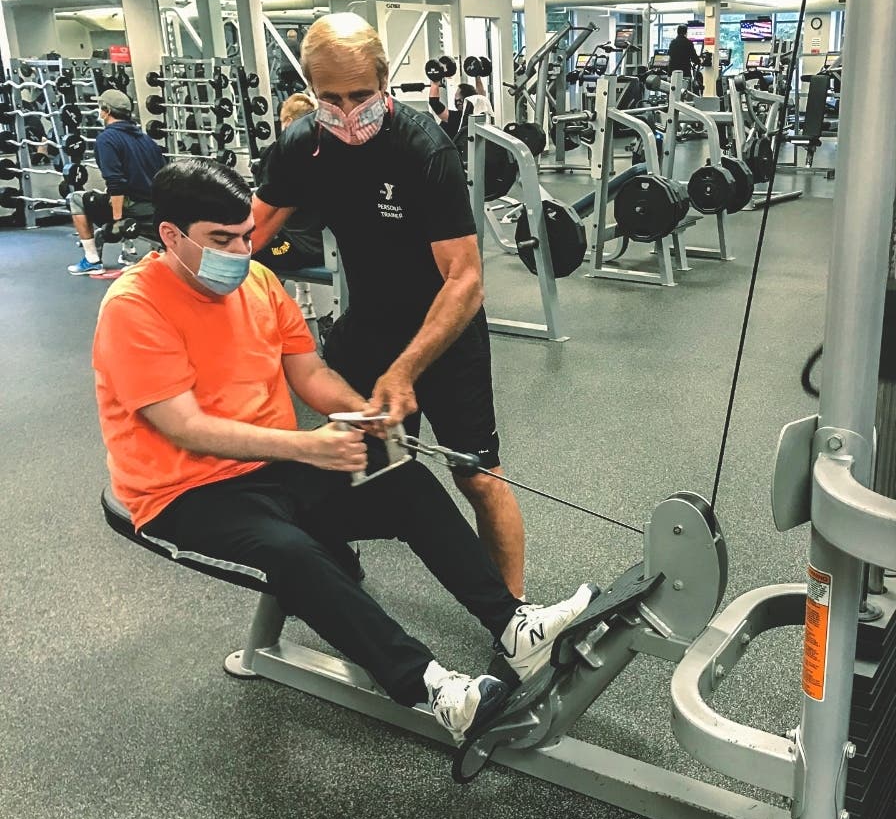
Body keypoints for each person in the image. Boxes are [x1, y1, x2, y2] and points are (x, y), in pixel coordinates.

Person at [92, 157, 591, 742]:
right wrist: (308, 446)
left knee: (402, 479)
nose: (240, 251)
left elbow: (308, 373)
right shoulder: (134, 306)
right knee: (295, 553)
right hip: (182, 492)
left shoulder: (259, 282)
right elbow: (185, 427)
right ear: (171, 235)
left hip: (272, 464)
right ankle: (433, 688)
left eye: (246, 235)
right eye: (221, 240)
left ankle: (513, 628)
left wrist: (363, 413)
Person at [250, 13, 529, 601]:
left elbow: (465, 280)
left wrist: (405, 371)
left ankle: (514, 615)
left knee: (477, 476)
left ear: (383, 82)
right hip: (368, 329)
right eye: (330, 98)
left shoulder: (424, 148)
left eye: (359, 95)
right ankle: (335, 572)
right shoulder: (302, 145)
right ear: (310, 90)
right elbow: (244, 237)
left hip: (445, 332)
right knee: (353, 463)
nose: (347, 112)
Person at [68, 88, 165, 276]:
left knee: (75, 199)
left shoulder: (106, 139)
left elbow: (116, 183)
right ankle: (128, 251)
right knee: (112, 196)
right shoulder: (147, 140)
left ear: (106, 111)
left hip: (134, 207)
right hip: (155, 206)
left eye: (100, 108)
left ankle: (92, 260)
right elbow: (163, 175)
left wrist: (118, 221)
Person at [252, 93, 324, 272]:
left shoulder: (280, 154)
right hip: (324, 244)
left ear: (289, 122)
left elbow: (267, 214)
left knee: (244, 254)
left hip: (304, 249)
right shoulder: (323, 148)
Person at [428, 73, 493, 144]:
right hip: (460, 148)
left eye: (456, 96)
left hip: (446, 149)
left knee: (427, 116)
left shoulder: (454, 117)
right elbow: (480, 97)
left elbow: (434, 103)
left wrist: (435, 81)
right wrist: (477, 75)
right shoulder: (477, 115)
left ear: (460, 102)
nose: (455, 97)